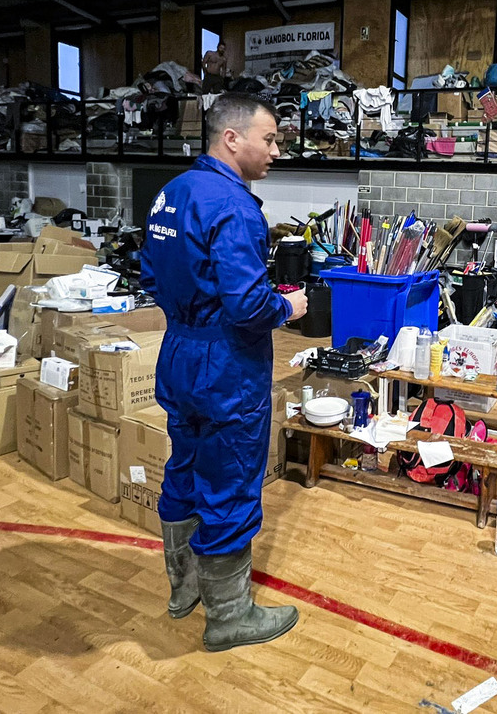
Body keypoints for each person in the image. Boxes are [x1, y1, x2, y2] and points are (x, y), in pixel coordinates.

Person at [141, 93, 308, 653]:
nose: (276, 151)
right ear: (232, 138)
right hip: (227, 364)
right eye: (271, 138)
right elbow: (248, 307)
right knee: (231, 480)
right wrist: (288, 307)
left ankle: (183, 590)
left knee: (185, 466)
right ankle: (230, 616)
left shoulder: (172, 193)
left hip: (179, 352)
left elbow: (149, 274)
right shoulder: (235, 207)